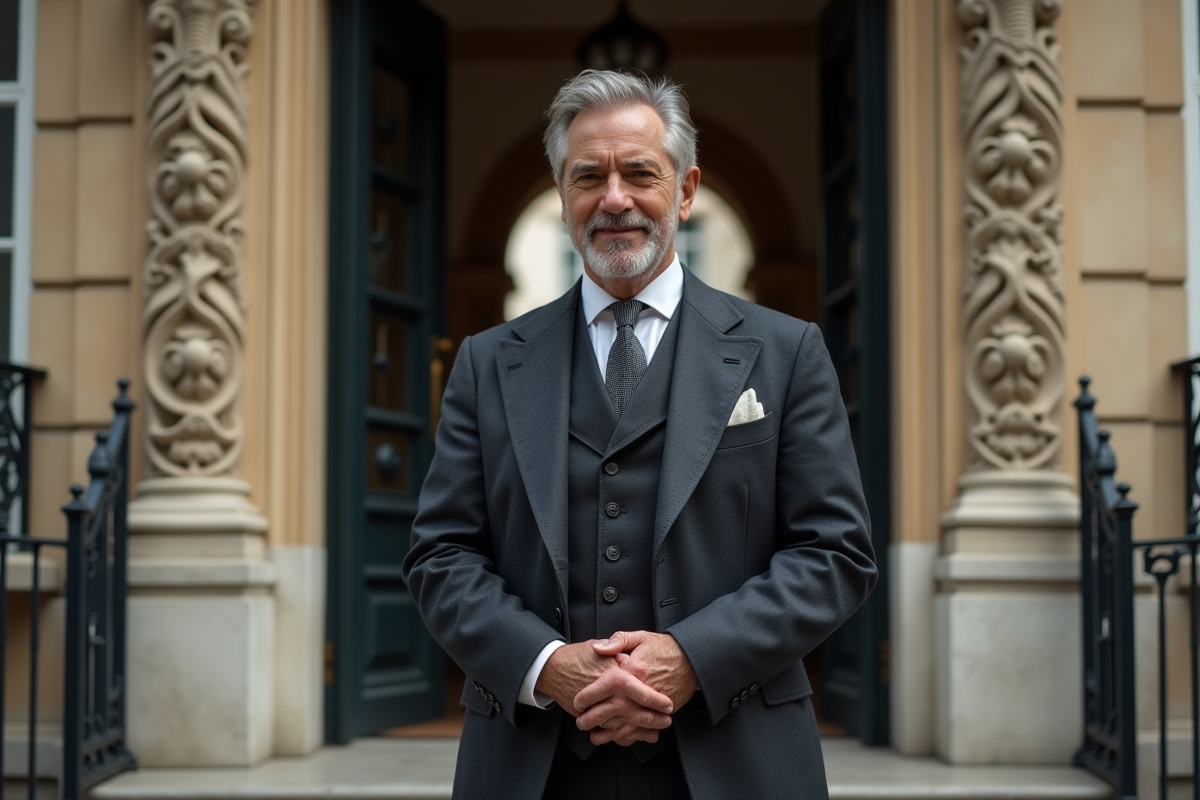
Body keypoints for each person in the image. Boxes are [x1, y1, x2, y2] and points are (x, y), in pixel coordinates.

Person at [402, 69, 877, 800]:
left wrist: (693, 657)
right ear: (562, 198)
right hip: (534, 765)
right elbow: (441, 555)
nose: (614, 198)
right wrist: (544, 666)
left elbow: (835, 552)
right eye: (588, 175)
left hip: (736, 757)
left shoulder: (786, 352)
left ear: (685, 191)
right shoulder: (487, 361)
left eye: (639, 173)